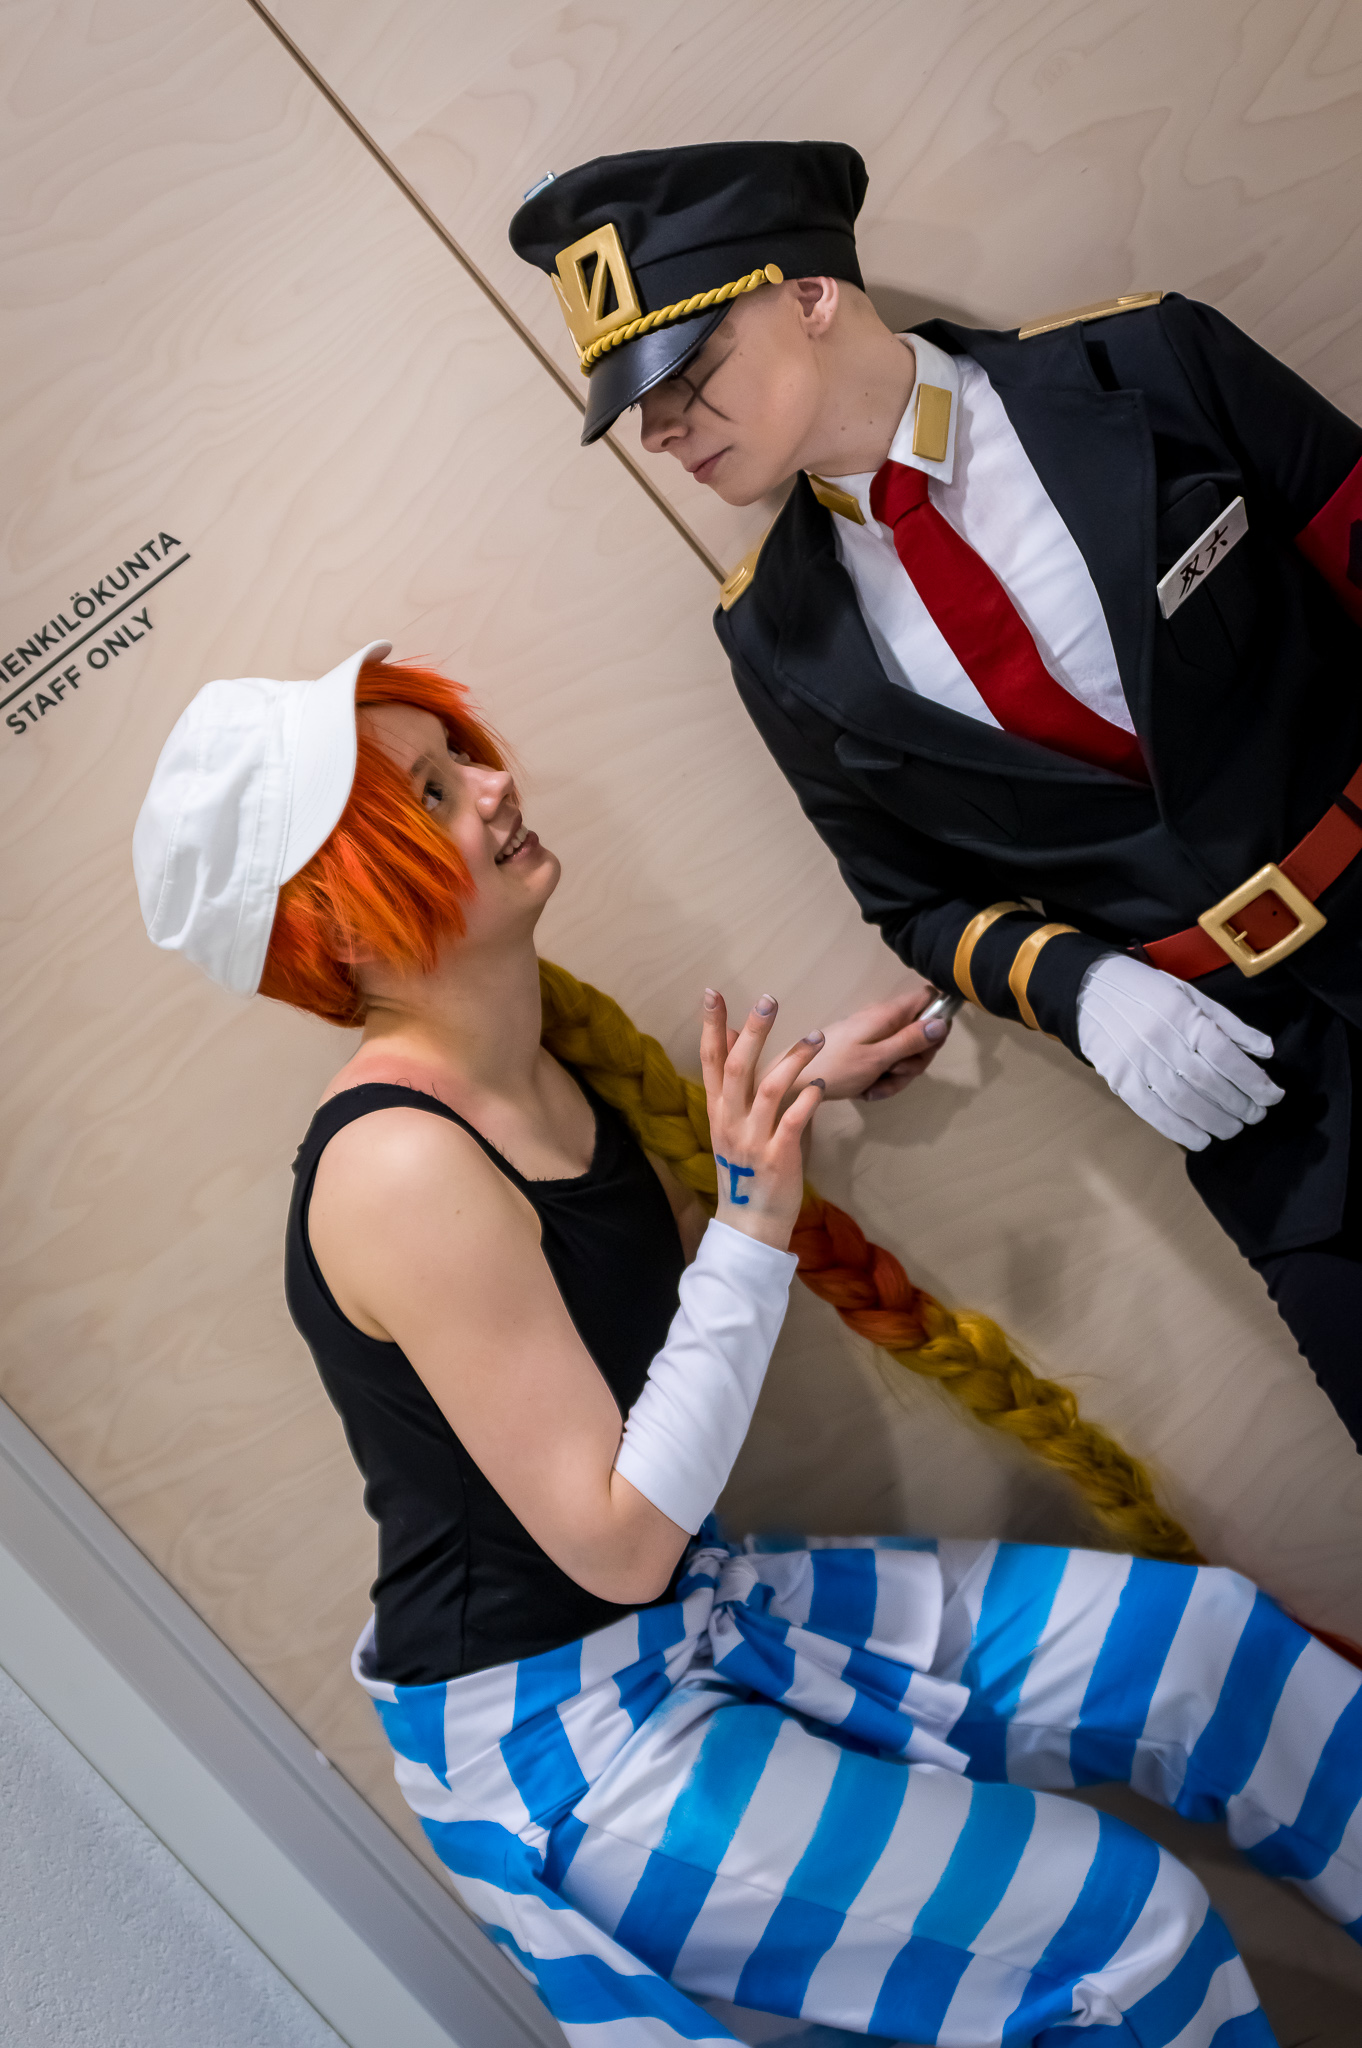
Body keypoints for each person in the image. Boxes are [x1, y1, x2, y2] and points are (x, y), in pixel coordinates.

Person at [133, 644, 1362, 2048]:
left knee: (1208, 1654)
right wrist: (754, 1217)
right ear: (342, 926)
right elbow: (618, 1540)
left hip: (694, 1614)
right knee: (1120, 1929)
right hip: (578, 1749)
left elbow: (629, 1306)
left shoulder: (528, 1059)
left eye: (460, 753)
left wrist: (793, 1104)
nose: (494, 784)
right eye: (429, 794)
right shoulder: (395, 1169)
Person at [509, 141, 1362, 1450]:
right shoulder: (775, 638)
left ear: (810, 294)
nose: (659, 427)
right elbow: (915, 904)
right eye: (637, 404)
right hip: (1257, 1089)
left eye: (684, 374)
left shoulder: (1145, 365)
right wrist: (1084, 989)